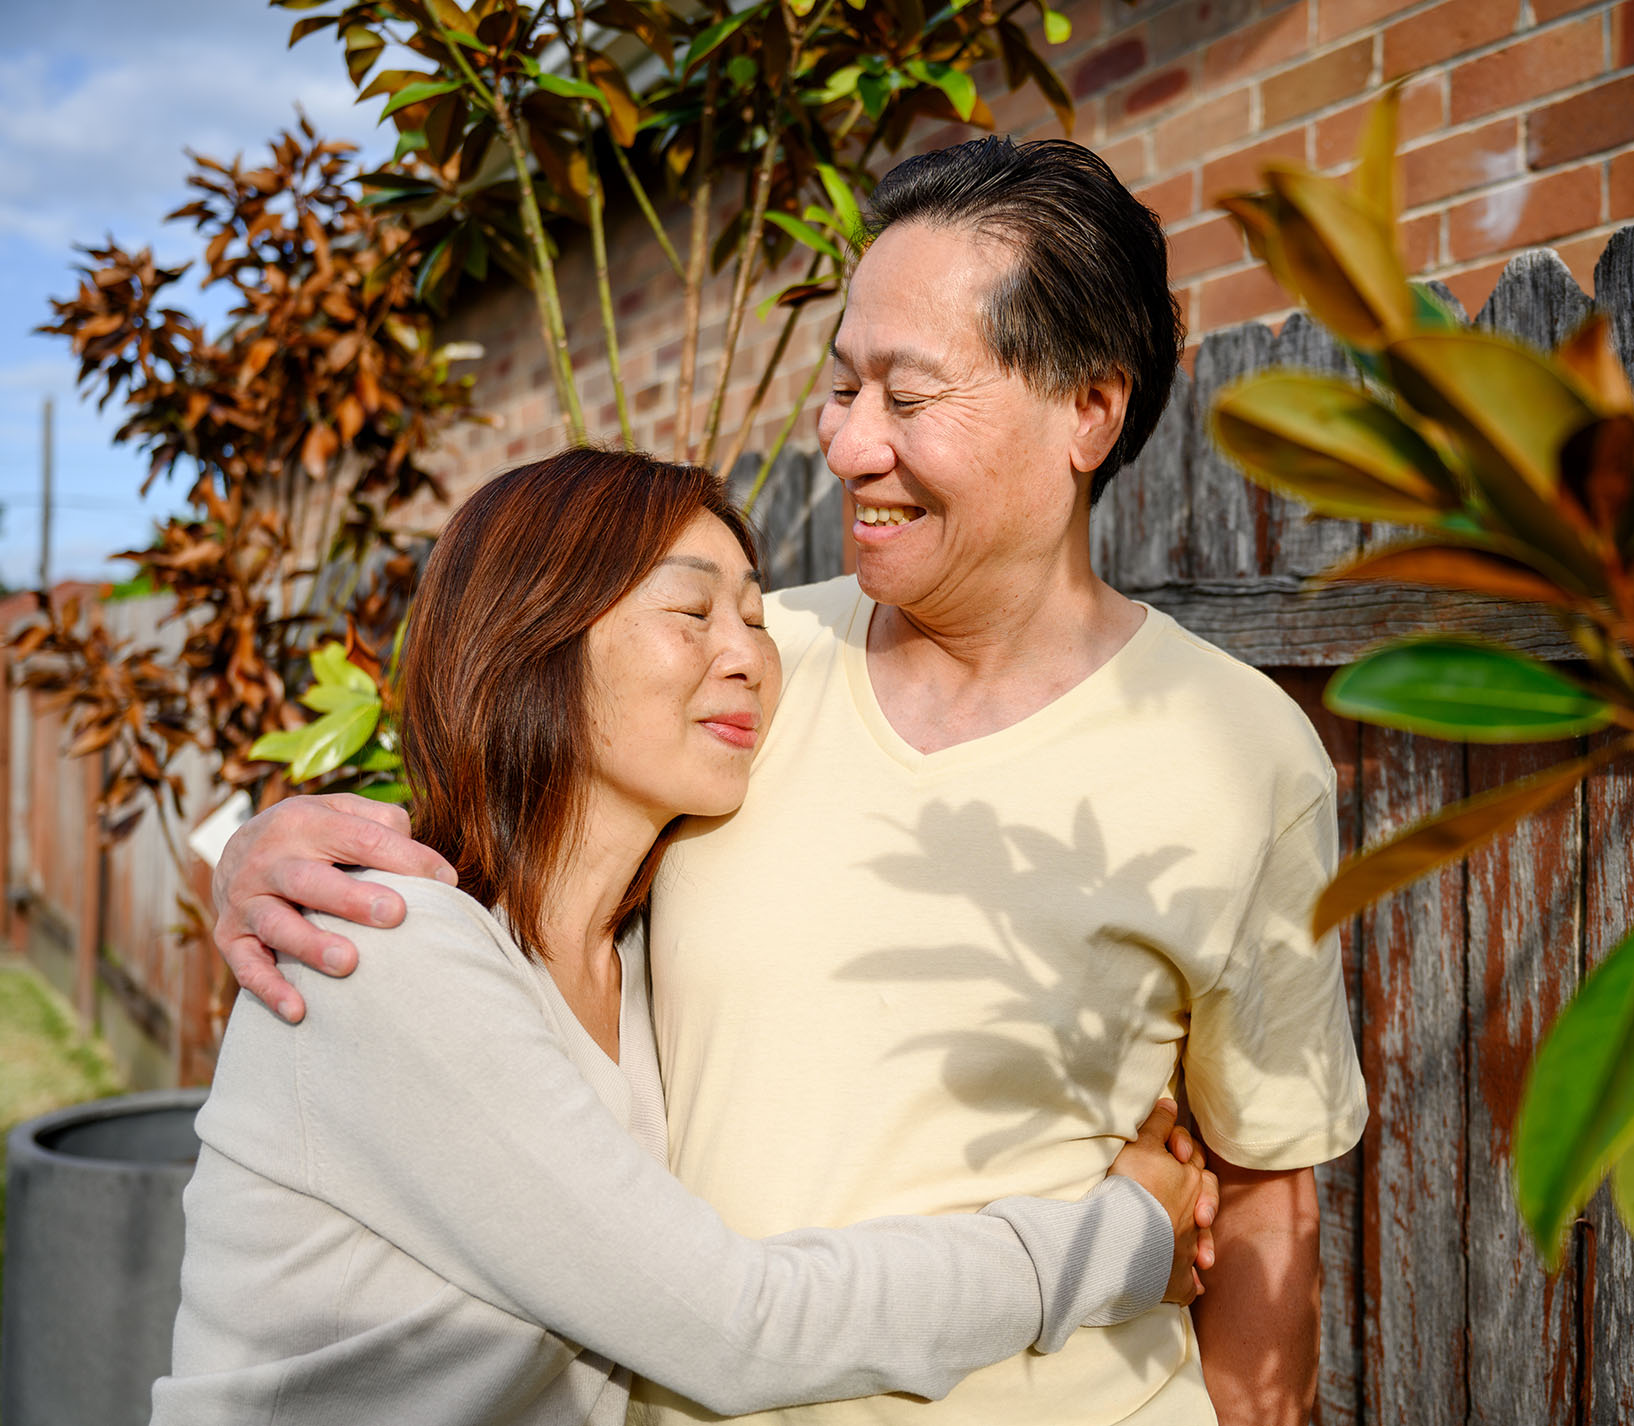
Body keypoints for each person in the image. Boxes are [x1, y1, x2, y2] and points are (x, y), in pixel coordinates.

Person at [213, 137, 1368, 1426]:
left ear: (1086, 412)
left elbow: (1269, 1185)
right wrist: (270, 846)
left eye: (907, 396)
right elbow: (504, 850)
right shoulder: (740, 679)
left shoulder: (1239, 753)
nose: (846, 441)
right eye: (839, 383)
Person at [153, 449, 1217, 1426]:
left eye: (755, 618)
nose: (746, 655)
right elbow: (734, 1328)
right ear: (533, 633)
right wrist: (1119, 1239)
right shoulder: (386, 953)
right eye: (690, 611)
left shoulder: (642, 959)